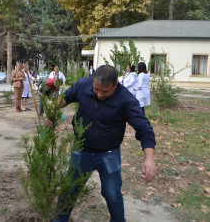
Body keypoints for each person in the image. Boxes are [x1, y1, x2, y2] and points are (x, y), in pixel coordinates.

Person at [48, 65, 156, 222]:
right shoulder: (82, 85)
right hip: (81, 150)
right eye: (96, 89)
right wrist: (52, 110)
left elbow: (144, 128)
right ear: (93, 81)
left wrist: (149, 158)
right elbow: (66, 98)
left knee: (112, 194)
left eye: (105, 92)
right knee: (69, 190)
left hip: (109, 153)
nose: (99, 94)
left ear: (115, 85)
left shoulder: (126, 99)